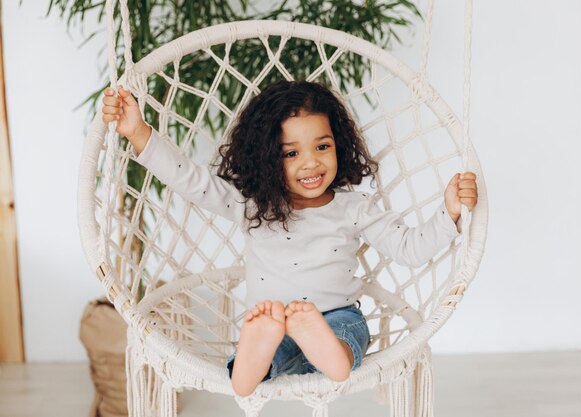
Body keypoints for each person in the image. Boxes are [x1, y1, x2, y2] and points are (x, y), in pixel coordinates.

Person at [101, 80, 478, 397]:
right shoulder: (252, 205)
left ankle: (322, 356)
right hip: (273, 320)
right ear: (266, 159)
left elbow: (410, 249)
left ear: (339, 146)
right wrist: (137, 132)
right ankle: (251, 365)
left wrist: (450, 211)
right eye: (291, 153)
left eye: (322, 146)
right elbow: (193, 182)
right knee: (266, 348)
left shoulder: (354, 208)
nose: (311, 163)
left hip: (336, 318)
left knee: (347, 337)